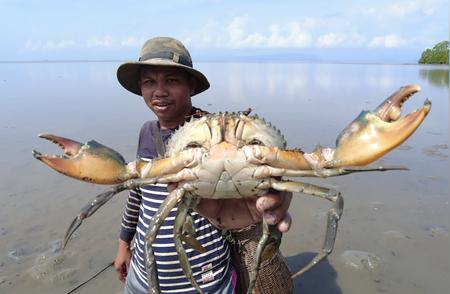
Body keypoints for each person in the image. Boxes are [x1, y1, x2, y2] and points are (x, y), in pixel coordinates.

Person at [114, 36, 293, 293]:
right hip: (143, 276)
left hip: (206, 280)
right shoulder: (147, 132)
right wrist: (123, 244)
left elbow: (261, 192)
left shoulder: (221, 136)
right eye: (149, 82)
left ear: (191, 86)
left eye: (172, 80)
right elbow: (137, 194)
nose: (159, 90)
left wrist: (269, 200)